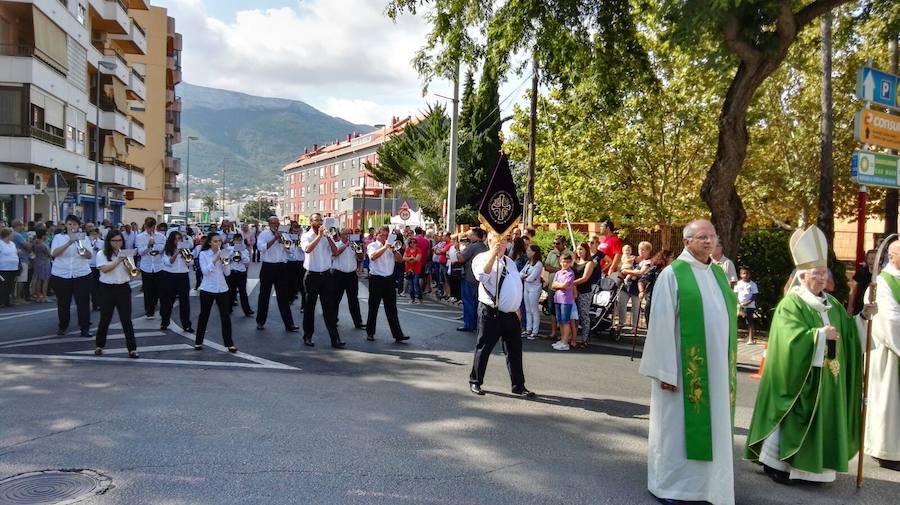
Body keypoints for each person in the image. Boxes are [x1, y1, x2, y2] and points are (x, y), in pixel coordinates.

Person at [745, 225, 868, 486]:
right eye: (817, 273)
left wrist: (864, 318)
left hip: (828, 377)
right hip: (802, 377)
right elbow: (789, 338)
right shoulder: (792, 303)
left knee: (822, 421)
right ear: (802, 277)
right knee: (792, 415)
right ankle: (777, 463)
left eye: (824, 273)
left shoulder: (832, 304)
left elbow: (847, 333)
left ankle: (816, 469)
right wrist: (819, 336)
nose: (822, 278)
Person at [639, 219, 738, 505]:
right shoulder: (673, 274)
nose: (708, 241)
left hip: (717, 371)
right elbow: (660, 324)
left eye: (712, 237)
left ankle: (708, 488)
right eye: (701, 237)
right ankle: (672, 487)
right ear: (686, 242)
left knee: (713, 428)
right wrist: (666, 371)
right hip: (683, 372)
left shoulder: (718, 274)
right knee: (677, 432)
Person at [468, 233, 534, 397]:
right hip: (491, 312)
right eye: (498, 241)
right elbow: (482, 275)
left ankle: (518, 386)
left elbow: (515, 284)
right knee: (484, 348)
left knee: (515, 351)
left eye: (504, 241)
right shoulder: (481, 258)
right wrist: (493, 255)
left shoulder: (509, 261)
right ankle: (475, 381)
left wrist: (516, 306)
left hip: (511, 314)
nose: (501, 244)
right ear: (489, 242)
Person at [865, 241, 900, 470]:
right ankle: (885, 451)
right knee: (888, 402)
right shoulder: (882, 283)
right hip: (889, 352)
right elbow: (890, 319)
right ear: (894, 255)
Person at [301, 212, 344, 348]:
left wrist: (329, 238)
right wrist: (319, 237)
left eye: (321, 220)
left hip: (326, 275)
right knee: (310, 308)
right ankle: (308, 336)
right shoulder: (306, 236)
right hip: (312, 275)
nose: (319, 222)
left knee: (329, 308)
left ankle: (335, 339)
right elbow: (307, 250)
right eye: (316, 220)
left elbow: (335, 252)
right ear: (311, 223)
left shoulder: (327, 236)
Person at [93, 230, 139, 358]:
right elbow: (105, 269)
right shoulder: (101, 254)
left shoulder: (126, 254)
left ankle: (132, 349)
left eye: (119, 240)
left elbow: (132, 272)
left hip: (123, 288)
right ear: (109, 241)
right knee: (105, 319)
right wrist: (119, 260)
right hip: (107, 288)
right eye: (114, 241)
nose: (117, 243)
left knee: (126, 320)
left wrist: (129, 265)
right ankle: (99, 346)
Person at [50, 215, 94, 337]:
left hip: (81, 273)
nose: (72, 226)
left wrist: (79, 244)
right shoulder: (58, 237)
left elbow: (89, 255)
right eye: (70, 224)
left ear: (78, 226)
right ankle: (63, 326)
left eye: (74, 224)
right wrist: (69, 242)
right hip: (61, 274)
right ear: (66, 225)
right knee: (63, 303)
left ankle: (84, 328)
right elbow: (54, 253)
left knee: (83, 303)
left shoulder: (83, 237)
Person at [194, 232, 237, 353]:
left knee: (225, 317)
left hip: (222, 288)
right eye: (215, 241)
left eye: (219, 241)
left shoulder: (224, 253)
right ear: (209, 242)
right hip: (208, 288)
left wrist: (225, 262)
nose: (218, 243)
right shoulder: (203, 254)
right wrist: (215, 259)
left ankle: (229, 343)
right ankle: (198, 341)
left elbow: (227, 273)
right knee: (204, 315)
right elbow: (205, 271)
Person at [365, 225, 410, 343]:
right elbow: (373, 257)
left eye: (387, 235)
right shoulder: (372, 245)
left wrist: (394, 250)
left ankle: (398, 334)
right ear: (377, 235)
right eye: (383, 235)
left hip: (389, 280)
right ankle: (370, 332)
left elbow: (400, 260)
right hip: (376, 279)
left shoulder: (392, 247)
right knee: (373, 307)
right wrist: (385, 247)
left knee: (392, 309)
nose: (385, 237)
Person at [255, 216, 299, 332]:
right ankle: (260, 322)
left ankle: (289, 324)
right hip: (268, 267)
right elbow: (261, 248)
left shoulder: (285, 234)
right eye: (273, 223)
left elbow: (291, 251)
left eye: (277, 223)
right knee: (264, 295)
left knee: (283, 297)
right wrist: (275, 238)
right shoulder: (264, 234)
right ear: (269, 224)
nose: (276, 225)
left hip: (281, 267)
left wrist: (286, 243)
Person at [159, 231, 194, 333]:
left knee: (185, 302)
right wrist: (176, 253)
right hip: (170, 276)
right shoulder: (167, 251)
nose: (178, 241)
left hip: (183, 276)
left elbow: (191, 263)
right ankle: (164, 322)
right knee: (168, 301)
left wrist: (186, 258)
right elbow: (168, 263)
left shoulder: (186, 249)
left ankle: (186, 325)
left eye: (179, 239)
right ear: (171, 240)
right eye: (176, 239)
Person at [455, 228, 488, 332]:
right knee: (477, 302)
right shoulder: (484, 247)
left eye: (471, 235)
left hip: (469, 277)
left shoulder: (472, 246)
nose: (469, 237)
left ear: (475, 236)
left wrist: (457, 251)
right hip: (479, 278)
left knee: (468, 301)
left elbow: (461, 258)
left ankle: (469, 324)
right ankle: (477, 324)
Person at [331, 228, 365, 329]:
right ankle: (333, 320)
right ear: (341, 235)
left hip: (351, 275)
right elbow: (335, 253)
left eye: (350, 234)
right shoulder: (336, 244)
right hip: (338, 274)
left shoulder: (354, 246)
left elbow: (360, 258)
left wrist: (359, 250)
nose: (349, 236)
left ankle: (358, 322)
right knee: (335, 299)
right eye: (347, 234)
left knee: (353, 299)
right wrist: (346, 245)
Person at [618, 242, 652, 335]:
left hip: (637, 287)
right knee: (621, 303)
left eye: (643, 250)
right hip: (627, 285)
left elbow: (641, 272)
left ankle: (634, 327)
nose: (640, 251)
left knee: (635, 308)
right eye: (639, 249)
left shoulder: (648, 262)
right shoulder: (635, 259)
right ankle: (621, 323)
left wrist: (627, 271)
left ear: (648, 251)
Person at [135, 217, 165, 319]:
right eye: (149, 227)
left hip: (158, 266)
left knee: (158, 289)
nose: (151, 230)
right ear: (145, 226)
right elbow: (140, 252)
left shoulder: (161, 236)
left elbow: (162, 249)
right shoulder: (139, 237)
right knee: (147, 290)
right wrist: (148, 246)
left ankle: (156, 306)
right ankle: (149, 311)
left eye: (153, 227)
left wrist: (155, 245)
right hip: (146, 266)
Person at [544, 236, 570, 340]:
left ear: (564, 243)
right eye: (554, 243)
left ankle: (564, 336)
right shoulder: (551, 253)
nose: (555, 245)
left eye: (558, 243)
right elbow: (546, 266)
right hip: (552, 286)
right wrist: (557, 269)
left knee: (563, 314)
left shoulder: (569, 253)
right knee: (552, 310)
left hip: (563, 290)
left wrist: (556, 269)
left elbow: (568, 268)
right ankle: (553, 332)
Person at [572, 243, 597, 347]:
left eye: (581, 249)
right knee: (574, 315)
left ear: (586, 250)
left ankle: (585, 338)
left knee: (584, 314)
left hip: (584, 291)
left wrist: (571, 283)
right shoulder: (575, 262)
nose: (579, 251)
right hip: (574, 291)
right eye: (578, 249)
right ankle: (573, 337)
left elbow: (585, 278)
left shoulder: (589, 263)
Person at [551, 253, 576, 351]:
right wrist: (559, 285)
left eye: (567, 262)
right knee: (560, 320)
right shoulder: (558, 273)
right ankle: (562, 340)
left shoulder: (570, 273)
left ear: (570, 263)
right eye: (563, 261)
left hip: (566, 300)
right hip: (557, 298)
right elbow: (553, 284)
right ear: (560, 262)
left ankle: (565, 342)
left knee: (565, 321)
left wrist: (559, 285)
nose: (565, 263)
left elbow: (565, 285)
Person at [225, 234, 253, 317]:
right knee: (231, 292)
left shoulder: (244, 250)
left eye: (240, 240)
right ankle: (228, 309)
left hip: (241, 273)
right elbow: (226, 261)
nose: (238, 241)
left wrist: (240, 253)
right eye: (236, 240)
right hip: (232, 272)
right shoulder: (229, 249)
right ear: (233, 241)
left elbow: (247, 262)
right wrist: (233, 252)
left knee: (243, 292)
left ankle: (247, 310)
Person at [520, 244, 544, 340]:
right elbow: (520, 273)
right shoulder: (528, 262)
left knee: (534, 309)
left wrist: (524, 276)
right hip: (527, 287)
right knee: (527, 309)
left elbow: (531, 278)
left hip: (534, 288)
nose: (527, 252)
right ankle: (528, 329)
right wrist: (524, 276)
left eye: (529, 251)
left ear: (534, 252)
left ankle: (535, 331)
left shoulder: (538, 264)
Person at [734, 267, 759, 344]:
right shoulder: (738, 283)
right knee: (736, 321)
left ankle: (751, 338)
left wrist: (748, 302)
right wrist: (738, 303)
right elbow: (735, 293)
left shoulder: (752, 284)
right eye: (744, 273)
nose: (745, 275)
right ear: (740, 275)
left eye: (747, 273)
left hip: (749, 306)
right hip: (739, 306)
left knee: (749, 321)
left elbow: (755, 295)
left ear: (749, 274)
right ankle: (735, 337)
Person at [848, 249, 877, 316]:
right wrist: (850, 306)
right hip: (860, 306)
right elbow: (853, 290)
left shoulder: (881, 274)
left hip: (874, 307)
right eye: (868, 258)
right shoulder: (862, 271)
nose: (870, 261)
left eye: (872, 258)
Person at [11, 220, 31, 303]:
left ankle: (13, 297)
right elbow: (27, 246)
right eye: (22, 225)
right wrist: (30, 241)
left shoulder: (11, 234)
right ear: (18, 226)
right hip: (22, 259)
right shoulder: (18, 235)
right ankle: (18, 298)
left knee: (14, 280)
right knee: (21, 279)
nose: (23, 227)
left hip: (15, 259)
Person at [30, 229, 51, 303]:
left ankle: (38, 296)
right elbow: (49, 254)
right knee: (45, 280)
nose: (47, 236)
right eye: (46, 235)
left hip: (37, 262)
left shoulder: (35, 243)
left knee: (38, 280)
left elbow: (31, 250)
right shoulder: (43, 245)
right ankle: (44, 296)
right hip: (45, 263)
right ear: (43, 236)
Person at [0, 228, 19, 307]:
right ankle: (1, 302)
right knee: (3, 285)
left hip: (13, 268)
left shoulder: (12, 243)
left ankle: (7, 301)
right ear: (7, 235)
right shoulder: (0, 243)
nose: (13, 235)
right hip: (4, 268)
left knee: (10, 285)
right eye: (12, 234)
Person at [403, 238, 423, 304]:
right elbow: (403, 258)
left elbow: (418, 259)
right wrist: (411, 258)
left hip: (416, 269)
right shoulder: (407, 249)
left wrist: (409, 259)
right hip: (409, 269)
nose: (413, 244)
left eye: (414, 242)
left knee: (416, 283)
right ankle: (412, 298)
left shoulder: (418, 250)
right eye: (411, 242)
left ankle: (419, 298)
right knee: (411, 284)